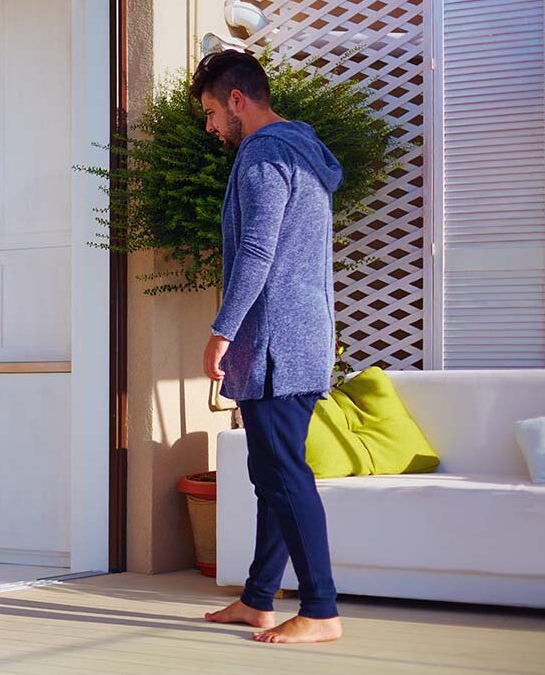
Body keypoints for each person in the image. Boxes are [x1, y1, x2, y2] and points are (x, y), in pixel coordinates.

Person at [193, 49, 344, 644]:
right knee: (270, 472)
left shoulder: (262, 154)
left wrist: (221, 331)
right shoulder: (303, 147)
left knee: (285, 474)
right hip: (306, 334)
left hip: (277, 342)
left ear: (237, 100)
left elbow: (257, 252)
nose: (210, 128)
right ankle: (258, 599)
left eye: (210, 113)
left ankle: (322, 610)